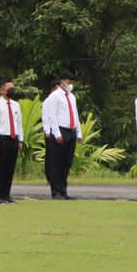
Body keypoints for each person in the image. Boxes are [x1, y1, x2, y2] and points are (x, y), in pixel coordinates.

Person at [41, 70, 80, 199]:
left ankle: (64, 190)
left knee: (66, 162)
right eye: (69, 81)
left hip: (71, 131)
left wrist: (78, 132)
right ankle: (56, 191)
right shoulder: (55, 96)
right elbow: (51, 115)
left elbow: (75, 115)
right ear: (62, 81)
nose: (70, 84)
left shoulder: (71, 97)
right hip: (60, 130)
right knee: (56, 162)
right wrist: (56, 133)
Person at [0, 80, 24, 204]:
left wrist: (20, 140)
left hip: (13, 138)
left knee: (10, 168)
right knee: (1, 168)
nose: (12, 91)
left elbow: (19, 123)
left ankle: (7, 194)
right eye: (10, 89)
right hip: (2, 138)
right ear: (3, 90)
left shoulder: (16, 105)